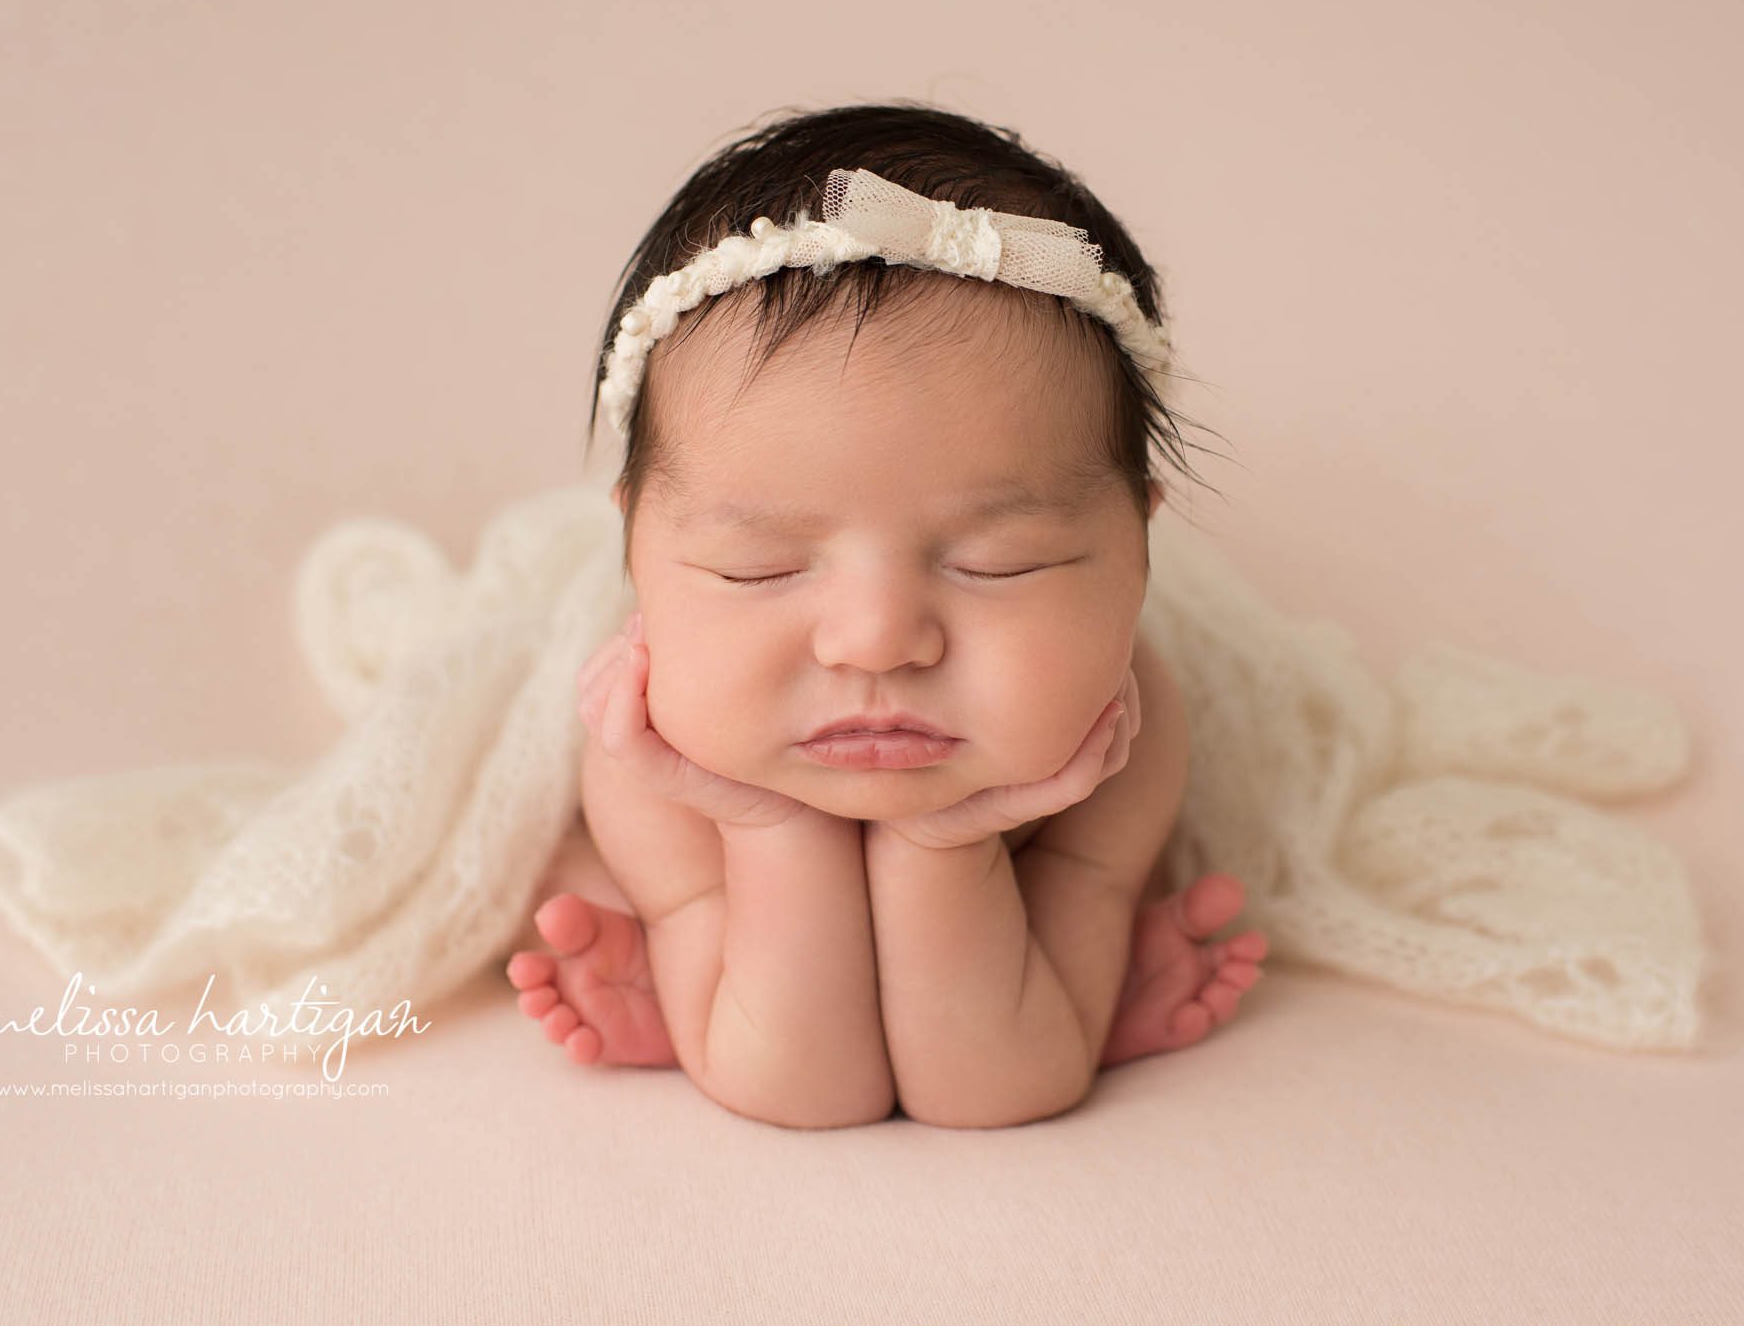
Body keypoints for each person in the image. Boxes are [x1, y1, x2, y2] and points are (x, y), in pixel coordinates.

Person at [505, 101, 1268, 1129]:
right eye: (757, 568)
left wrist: (951, 843)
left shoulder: (1120, 738)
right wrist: (764, 827)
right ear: (640, 555)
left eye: (1003, 564)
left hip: (985, 943)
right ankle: (692, 970)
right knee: (607, 909)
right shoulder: (646, 748)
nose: (872, 641)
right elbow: (799, 1094)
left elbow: (998, 1089)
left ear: (1135, 550)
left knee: (1018, 1004)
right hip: (721, 864)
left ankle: (1055, 969)